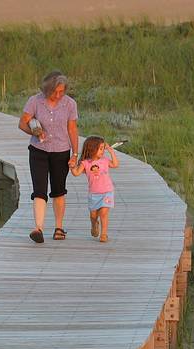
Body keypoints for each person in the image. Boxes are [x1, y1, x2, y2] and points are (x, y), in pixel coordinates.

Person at [18, 71, 79, 243]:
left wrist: (75, 154)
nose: (58, 95)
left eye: (62, 91)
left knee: (59, 190)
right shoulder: (35, 101)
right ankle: (38, 228)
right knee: (39, 189)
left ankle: (59, 227)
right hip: (38, 150)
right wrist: (36, 132)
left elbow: (72, 129)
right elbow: (22, 123)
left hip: (61, 151)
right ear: (47, 89)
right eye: (55, 92)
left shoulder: (70, 104)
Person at [70, 136, 119, 243]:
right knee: (93, 215)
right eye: (100, 149)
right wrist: (72, 166)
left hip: (107, 191)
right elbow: (76, 173)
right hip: (94, 194)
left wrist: (111, 151)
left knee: (104, 213)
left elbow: (115, 164)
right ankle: (94, 224)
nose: (102, 151)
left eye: (103, 148)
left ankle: (104, 234)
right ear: (92, 149)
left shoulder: (105, 161)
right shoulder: (85, 163)